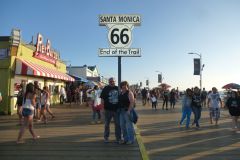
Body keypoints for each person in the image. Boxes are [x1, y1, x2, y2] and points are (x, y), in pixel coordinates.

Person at [100, 77, 121, 143]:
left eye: (113, 81)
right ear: (108, 82)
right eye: (110, 81)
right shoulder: (105, 88)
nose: (112, 82)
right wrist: (102, 108)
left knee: (117, 125)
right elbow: (102, 99)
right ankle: (106, 137)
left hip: (116, 110)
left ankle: (118, 138)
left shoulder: (118, 88)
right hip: (107, 110)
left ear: (115, 81)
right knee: (106, 124)